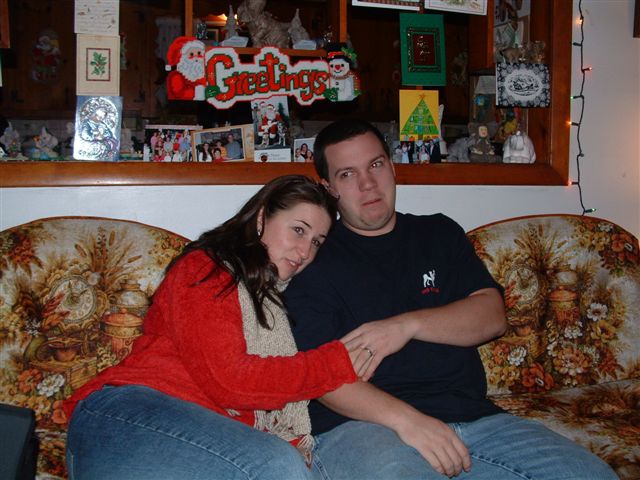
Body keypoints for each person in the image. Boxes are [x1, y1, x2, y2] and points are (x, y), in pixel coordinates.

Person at [284, 119, 618, 480]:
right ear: (329, 188)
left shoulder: (438, 233)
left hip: (476, 420)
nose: (368, 183)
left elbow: (492, 316)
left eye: (375, 165)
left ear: (392, 167)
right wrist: (410, 422)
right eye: (347, 174)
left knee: (589, 474)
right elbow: (320, 378)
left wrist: (405, 326)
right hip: (364, 428)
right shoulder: (315, 258)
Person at [64, 175, 374, 480]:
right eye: (298, 230)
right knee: (277, 465)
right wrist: (332, 363)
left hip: (194, 435)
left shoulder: (273, 300)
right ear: (262, 218)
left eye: (316, 241)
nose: (305, 251)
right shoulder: (204, 269)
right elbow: (230, 381)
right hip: (127, 418)